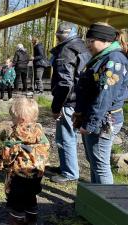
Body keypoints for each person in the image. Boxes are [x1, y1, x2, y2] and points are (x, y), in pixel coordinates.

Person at [74, 22, 128, 184]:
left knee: (100, 166)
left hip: (103, 121)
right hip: (95, 118)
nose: (87, 45)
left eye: (91, 41)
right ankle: (95, 199)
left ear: (104, 40)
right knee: (95, 163)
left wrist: (90, 124)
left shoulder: (114, 60)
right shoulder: (102, 58)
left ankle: (107, 204)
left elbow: (105, 96)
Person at [0, 98, 50, 225]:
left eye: (13, 118)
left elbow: (7, 155)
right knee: (31, 198)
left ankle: (16, 221)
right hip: (37, 173)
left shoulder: (15, 136)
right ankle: (31, 221)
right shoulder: (40, 132)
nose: (12, 121)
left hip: (19, 175)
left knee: (17, 202)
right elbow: (46, 149)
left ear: (21, 120)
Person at [49, 22, 91, 183]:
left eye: (58, 35)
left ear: (63, 35)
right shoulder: (82, 47)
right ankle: (66, 166)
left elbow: (64, 83)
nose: (57, 38)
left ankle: (69, 172)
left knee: (65, 137)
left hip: (69, 101)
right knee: (69, 136)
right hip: (79, 100)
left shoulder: (66, 51)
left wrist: (56, 107)